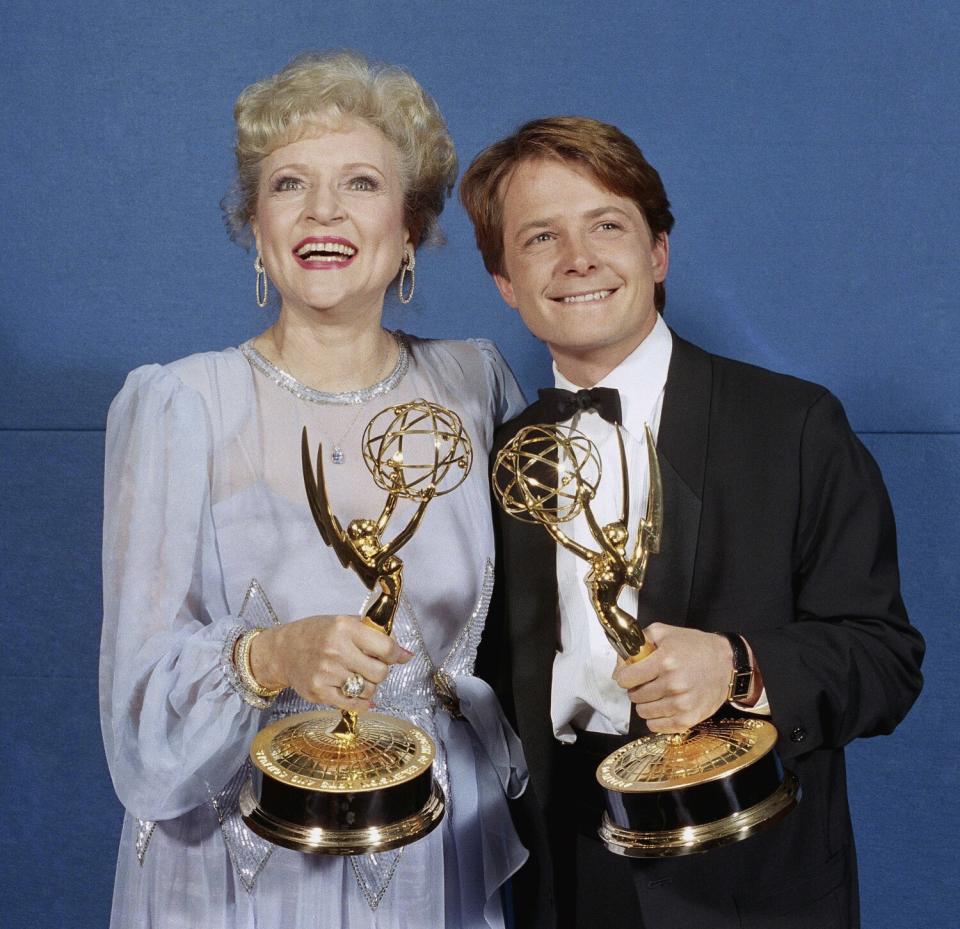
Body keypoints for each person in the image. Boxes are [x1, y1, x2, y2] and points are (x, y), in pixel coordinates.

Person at [461, 117, 924, 929]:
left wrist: (739, 667)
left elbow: (886, 660)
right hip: (560, 883)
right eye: (540, 237)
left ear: (658, 252)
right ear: (504, 279)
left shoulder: (795, 425)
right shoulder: (500, 459)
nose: (579, 259)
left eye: (607, 224)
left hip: (748, 884)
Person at [99, 51, 528, 929]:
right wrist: (272, 655)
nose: (323, 211)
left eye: (361, 183)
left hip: (428, 856)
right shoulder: (181, 402)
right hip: (240, 870)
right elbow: (138, 709)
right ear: (257, 230)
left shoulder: (472, 386)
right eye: (290, 183)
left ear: (410, 229)